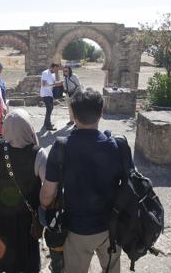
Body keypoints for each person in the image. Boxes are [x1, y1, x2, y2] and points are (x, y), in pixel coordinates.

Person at [40, 89, 126, 273]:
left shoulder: (62, 147)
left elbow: (48, 193)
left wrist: (44, 207)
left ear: (73, 113)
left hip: (78, 228)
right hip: (111, 226)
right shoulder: (117, 145)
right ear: (101, 112)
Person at [0, 109, 48, 273]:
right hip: (28, 211)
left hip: (4, 207)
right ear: (28, 127)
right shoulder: (38, 154)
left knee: (6, 240)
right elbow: (49, 185)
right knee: (28, 243)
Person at [40, 63, 62, 131]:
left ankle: (46, 123)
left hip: (50, 94)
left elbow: (57, 81)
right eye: (55, 69)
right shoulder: (45, 73)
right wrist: (55, 84)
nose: (56, 70)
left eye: (57, 69)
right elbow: (43, 84)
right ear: (52, 67)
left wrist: (57, 73)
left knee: (50, 109)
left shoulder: (53, 74)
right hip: (45, 94)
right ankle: (48, 126)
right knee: (49, 109)